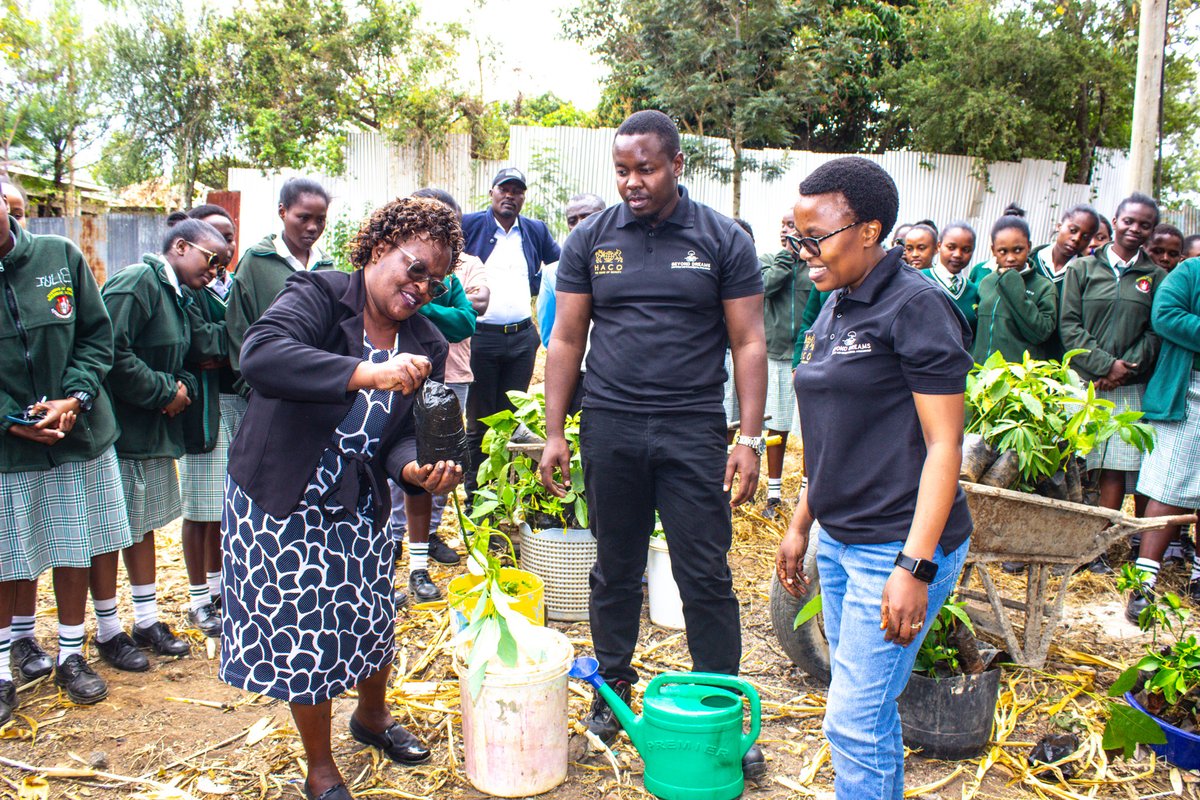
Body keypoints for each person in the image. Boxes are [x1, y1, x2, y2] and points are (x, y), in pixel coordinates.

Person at [538, 110, 769, 778]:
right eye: (621, 170)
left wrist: (748, 438)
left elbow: (748, 340)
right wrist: (556, 430)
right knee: (614, 567)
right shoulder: (593, 241)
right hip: (609, 424)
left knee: (705, 571)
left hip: (692, 426)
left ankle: (724, 709)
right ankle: (612, 691)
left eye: (644, 169)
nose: (632, 182)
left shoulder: (721, 239)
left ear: (676, 165)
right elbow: (566, 338)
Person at [220, 197, 463, 800]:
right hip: (285, 494)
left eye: (434, 281)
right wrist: (366, 372)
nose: (421, 288)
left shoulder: (426, 340)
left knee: (370, 617)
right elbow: (262, 356)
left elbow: (401, 435)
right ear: (380, 248)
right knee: (307, 628)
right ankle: (320, 766)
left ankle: (372, 717)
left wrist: (418, 470)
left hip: (357, 498)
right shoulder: (319, 295)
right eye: (414, 269)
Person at [776, 156, 973, 800]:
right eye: (795, 238)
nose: (805, 251)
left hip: (895, 543)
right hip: (838, 537)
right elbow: (835, 434)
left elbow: (946, 445)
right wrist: (802, 523)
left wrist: (914, 568)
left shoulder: (915, 305)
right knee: (862, 709)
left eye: (815, 237)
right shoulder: (835, 303)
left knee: (852, 721)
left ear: (869, 229)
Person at [0, 207, 134, 723]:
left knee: (75, 547)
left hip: (79, 436)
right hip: (11, 448)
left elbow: (96, 338)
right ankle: (6, 669)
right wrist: (10, 421)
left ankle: (71, 655)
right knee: (10, 555)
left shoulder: (59, 256)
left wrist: (73, 398)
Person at [100, 220, 226, 660]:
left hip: (153, 432)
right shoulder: (138, 282)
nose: (214, 272)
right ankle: (107, 630)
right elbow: (109, 351)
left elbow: (187, 355)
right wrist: (164, 391)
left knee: (144, 527)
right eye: (211, 260)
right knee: (109, 535)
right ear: (180, 246)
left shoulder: (177, 292)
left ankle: (147, 620)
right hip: (120, 431)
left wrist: (181, 389)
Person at [388, 187, 487, 603]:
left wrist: (419, 302)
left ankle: (419, 558)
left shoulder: (452, 275)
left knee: (430, 469)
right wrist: (417, 300)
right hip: (387, 380)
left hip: (441, 382)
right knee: (389, 471)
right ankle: (387, 545)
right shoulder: (389, 270)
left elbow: (464, 322)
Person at [1060, 193, 1166, 573]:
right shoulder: (1083, 269)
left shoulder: (1156, 277)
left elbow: (1155, 332)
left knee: (1114, 470)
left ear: (1152, 230)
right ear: (1116, 221)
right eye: (1129, 221)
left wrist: (1124, 368)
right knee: (1075, 464)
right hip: (1083, 384)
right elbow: (1069, 326)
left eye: (1145, 225)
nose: (1135, 230)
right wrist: (1103, 365)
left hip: (1127, 387)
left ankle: (1097, 550)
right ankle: (1066, 544)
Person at [460, 167, 560, 502]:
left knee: (511, 420)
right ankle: (478, 499)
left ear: (523, 197)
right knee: (479, 423)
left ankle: (505, 499)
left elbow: (562, 266)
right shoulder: (471, 225)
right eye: (504, 189)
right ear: (492, 192)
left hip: (520, 338)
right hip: (480, 337)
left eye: (517, 191)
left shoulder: (534, 231)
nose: (510, 196)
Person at [175, 205, 239, 637]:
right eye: (214, 240)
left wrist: (232, 344)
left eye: (229, 239)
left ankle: (221, 590)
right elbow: (201, 345)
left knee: (225, 507)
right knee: (200, 507)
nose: (223, 251)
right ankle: (198, 597)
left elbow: (246, 337)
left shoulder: (234, 285)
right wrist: (235, 342)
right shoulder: (188, 289)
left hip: (238, 402)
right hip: (204, 407)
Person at [1127, 253, 1200, 620]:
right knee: (1167, 485)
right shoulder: (1191, 271)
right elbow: (1166, 317)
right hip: (1187, 391)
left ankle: (1199, 580)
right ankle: (1143, 583)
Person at [226, 178, 333, 407]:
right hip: (268, 393)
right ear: (283, 212)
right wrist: (251, 390)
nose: (313, 227)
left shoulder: (327, 268)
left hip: (319, 393)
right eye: (303, 217)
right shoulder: (256, 263)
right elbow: (238, 329)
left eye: (320, 220)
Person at [761, 212, 813, 517]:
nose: (786, 230)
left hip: (806, 359)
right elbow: (766, 288)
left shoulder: (816, 267)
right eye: (782, 225)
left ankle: (805, 492)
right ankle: (773, 493)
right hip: (774, 357)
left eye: (792, 226)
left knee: (808, 431)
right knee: (775, 429)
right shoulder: (768, 260)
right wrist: (784, 259)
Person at [537, 192, 606, 415]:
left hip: (616, 378)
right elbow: (549, 333)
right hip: (576, 376)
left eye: (587, 217)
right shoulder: (552, 273)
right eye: (572, 220)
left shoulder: (626, 267)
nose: (579, 226)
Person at [973, 216, 1058, 362]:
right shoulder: (987, 282)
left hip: (1016, 379)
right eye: (1003, 251)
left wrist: (1012, 283)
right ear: (993, 250)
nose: (1010, 258)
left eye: (1018, 250)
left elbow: (1040, 333)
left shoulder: (1044, 287)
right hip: (981, 375)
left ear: (1029, 247)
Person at [1029, 205, 1100, 301]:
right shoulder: (1030, 260)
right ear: (1059, 226)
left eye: (1085, 237)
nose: (1077, 238)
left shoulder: (1085, 274)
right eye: (1073, 230)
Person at [920, 222, 980, 330]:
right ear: (939, 246)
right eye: (951, 247)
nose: (957, 255)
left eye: (966, 250)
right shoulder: (921, 279)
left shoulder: (972, 290)